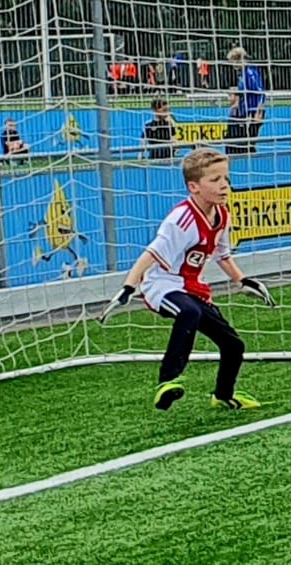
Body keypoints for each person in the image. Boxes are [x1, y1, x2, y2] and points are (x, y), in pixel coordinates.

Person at [100, 148, 276, 411]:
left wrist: (243, 281)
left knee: (233, 344)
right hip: (161, 285)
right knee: (189, 312)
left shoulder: (222, 215)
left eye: (226, 178)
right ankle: (167, 381)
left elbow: (222, 254)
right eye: (215, 180)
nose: (224, 186)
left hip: (191, 288)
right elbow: (150, 254)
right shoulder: (181, 220)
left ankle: (223, 395)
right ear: (194, 187)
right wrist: (128, 287)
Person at [225, 46, 265, 154]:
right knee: (234, 141)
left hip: (251, 113)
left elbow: (260, 92)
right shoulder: (242, 74)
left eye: (233, 62)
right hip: (243, 113)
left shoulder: (250, 72)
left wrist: (258, 112)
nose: (232, 65)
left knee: (246, 144)